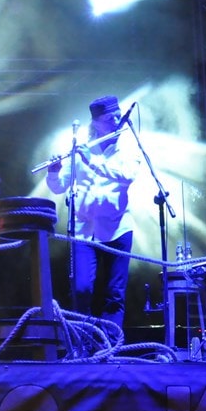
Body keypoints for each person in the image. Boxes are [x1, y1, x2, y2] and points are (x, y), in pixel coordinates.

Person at [45, 95, 142, 330]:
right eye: (110, 119)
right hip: (84, 230)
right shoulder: (81, 150)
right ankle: (84, 339)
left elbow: (127, 176)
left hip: (118, 228)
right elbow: (59, 186)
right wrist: (53, 172)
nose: (117, 122)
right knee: (82, 289)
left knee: (114, 293)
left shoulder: (128, 148)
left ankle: (111, 343)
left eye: (118, 116)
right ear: (96, 123)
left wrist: (93, 163)